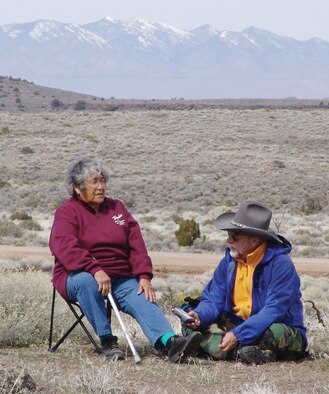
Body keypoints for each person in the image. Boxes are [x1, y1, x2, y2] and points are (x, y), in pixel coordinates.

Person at [49, 158, 201, 362]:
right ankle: (108, 341)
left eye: (103, 181)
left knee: (141, 293)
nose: (101, 187)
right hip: (77, 275)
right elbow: (65, 247)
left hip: (119, 277)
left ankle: (170, 343)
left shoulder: (117, 208)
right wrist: (94, 269)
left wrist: (144, 276)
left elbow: (136, 244)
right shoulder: (66, 212)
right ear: (78, 187)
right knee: (87, 282)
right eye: (94, 182)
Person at [184, 200, 307, 365]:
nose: (228, 240)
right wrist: (199, 315)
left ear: (254, 240)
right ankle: (249, 353)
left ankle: (225, 349)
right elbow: (214, 299)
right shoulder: (228, 262)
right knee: (190, 323)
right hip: (237, 325)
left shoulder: (281, 264)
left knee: (273, 333)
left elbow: (273, 310)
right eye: (228, 234)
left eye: (234, 236)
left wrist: (239, 334)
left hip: (274, 326)